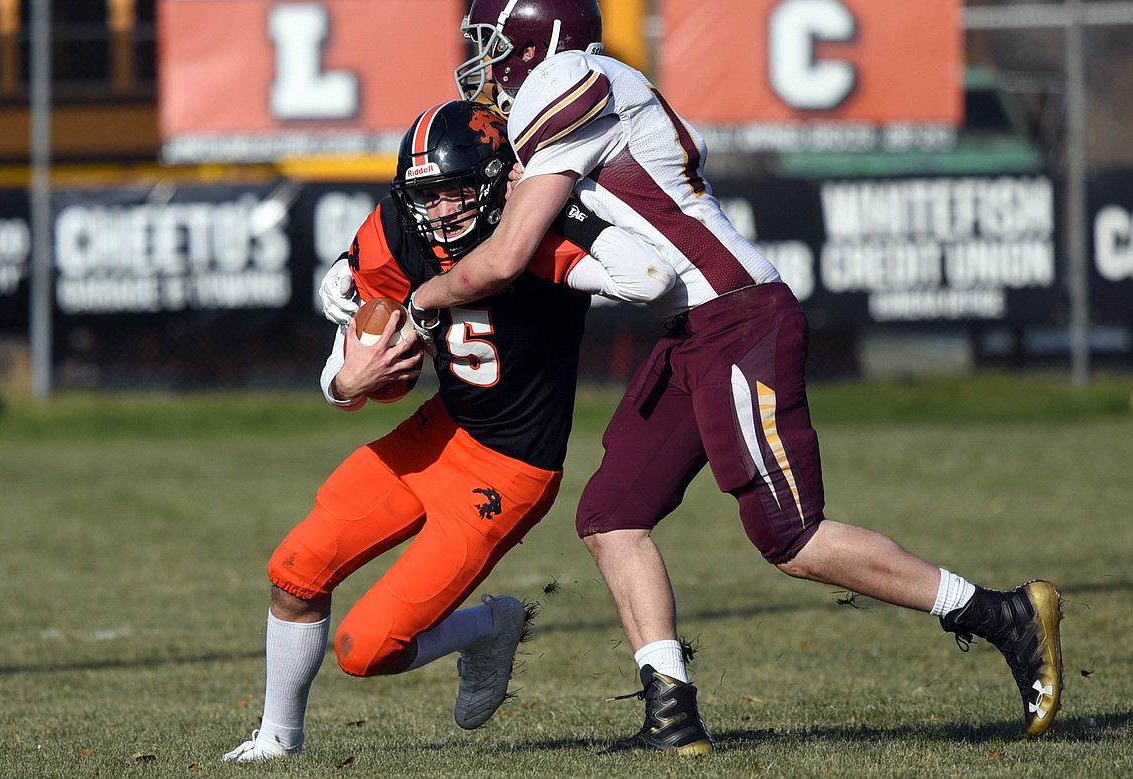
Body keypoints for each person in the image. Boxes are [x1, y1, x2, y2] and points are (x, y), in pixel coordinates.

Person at [402, 0, 1065, 755]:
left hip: (740, 318)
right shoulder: (587, 91)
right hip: (692, 329)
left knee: (792, 535)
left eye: (493, 45)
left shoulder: (567, 75)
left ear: (538, 40)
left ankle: (1000, 612)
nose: (485, 65)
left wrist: (418, 301)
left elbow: (508, 254)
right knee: (612, 514)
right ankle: (671, 713)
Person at [224, 99, 675, 762]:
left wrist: (569, 209)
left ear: (500, 184)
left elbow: (649, 276)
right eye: (424, 196)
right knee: (294, 570)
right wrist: (348, 381)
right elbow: (342, 371)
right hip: (439, 432)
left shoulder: (540, 237)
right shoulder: (400, 233)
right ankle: (277, 740)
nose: (437, 213)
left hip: (510, 471)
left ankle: (490, 626)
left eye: (455, 192)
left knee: (365, 648)